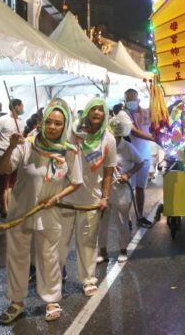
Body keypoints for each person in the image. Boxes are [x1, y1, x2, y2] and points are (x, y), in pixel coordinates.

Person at [0, 103, 82, 324]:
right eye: (48, 122)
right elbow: (3, 169)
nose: (52, 127)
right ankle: (16, 301)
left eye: (58, 123)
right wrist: (10, 147)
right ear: (41, 123)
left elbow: (76, 182)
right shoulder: (27, 145)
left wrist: (57, 197)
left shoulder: (70, 151)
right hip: (20, 213)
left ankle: (52, 299)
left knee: (49, 257)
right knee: (17, 257)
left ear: (64, 126)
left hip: (49, 213)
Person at [59, 98, 116, 296]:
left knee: (88, 243)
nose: (97, 112)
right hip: (65, 197)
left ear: (105, 114)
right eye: (94, 108)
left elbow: (108, 171)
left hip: (91, 199)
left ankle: (88, 279)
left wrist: (105, 197)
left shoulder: (108, 139)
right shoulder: (72, 133)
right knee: (59, 242)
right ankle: (56, 275)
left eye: (101, 109)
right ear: (87, 112)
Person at [98, 118, 146, 263]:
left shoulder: (127, 147)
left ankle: (123, 250)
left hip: (122, 190)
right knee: (102, 221)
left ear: (121, 135)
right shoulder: (102, 146)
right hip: (104, 189)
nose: (114, 138)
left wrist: (128, 174)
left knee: (121, 221)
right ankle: (103, 251)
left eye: (116, 136)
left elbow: (140, 162)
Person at [115, 89, 156, 228]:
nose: (131, 103)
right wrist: (152, 138)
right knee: (129, 189)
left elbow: (156, 121)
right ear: (124, 101)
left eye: (134, 99)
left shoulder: (145, 112)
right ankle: (127, 219)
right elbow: (133, 131)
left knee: (140, 188)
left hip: (144, 155)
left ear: (139, 100)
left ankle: (140, 216)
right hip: (130, 156)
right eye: (128, 100)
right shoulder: (123, 114)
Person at [0, 98, 26, 216]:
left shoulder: (21, 122)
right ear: (16, 106)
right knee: (4, 183)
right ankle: (4, 209)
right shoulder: (1, 120)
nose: (23, 108)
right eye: (21, 105)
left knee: (12, 183)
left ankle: (10, 206)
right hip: (3, 153)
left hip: (17, 154)